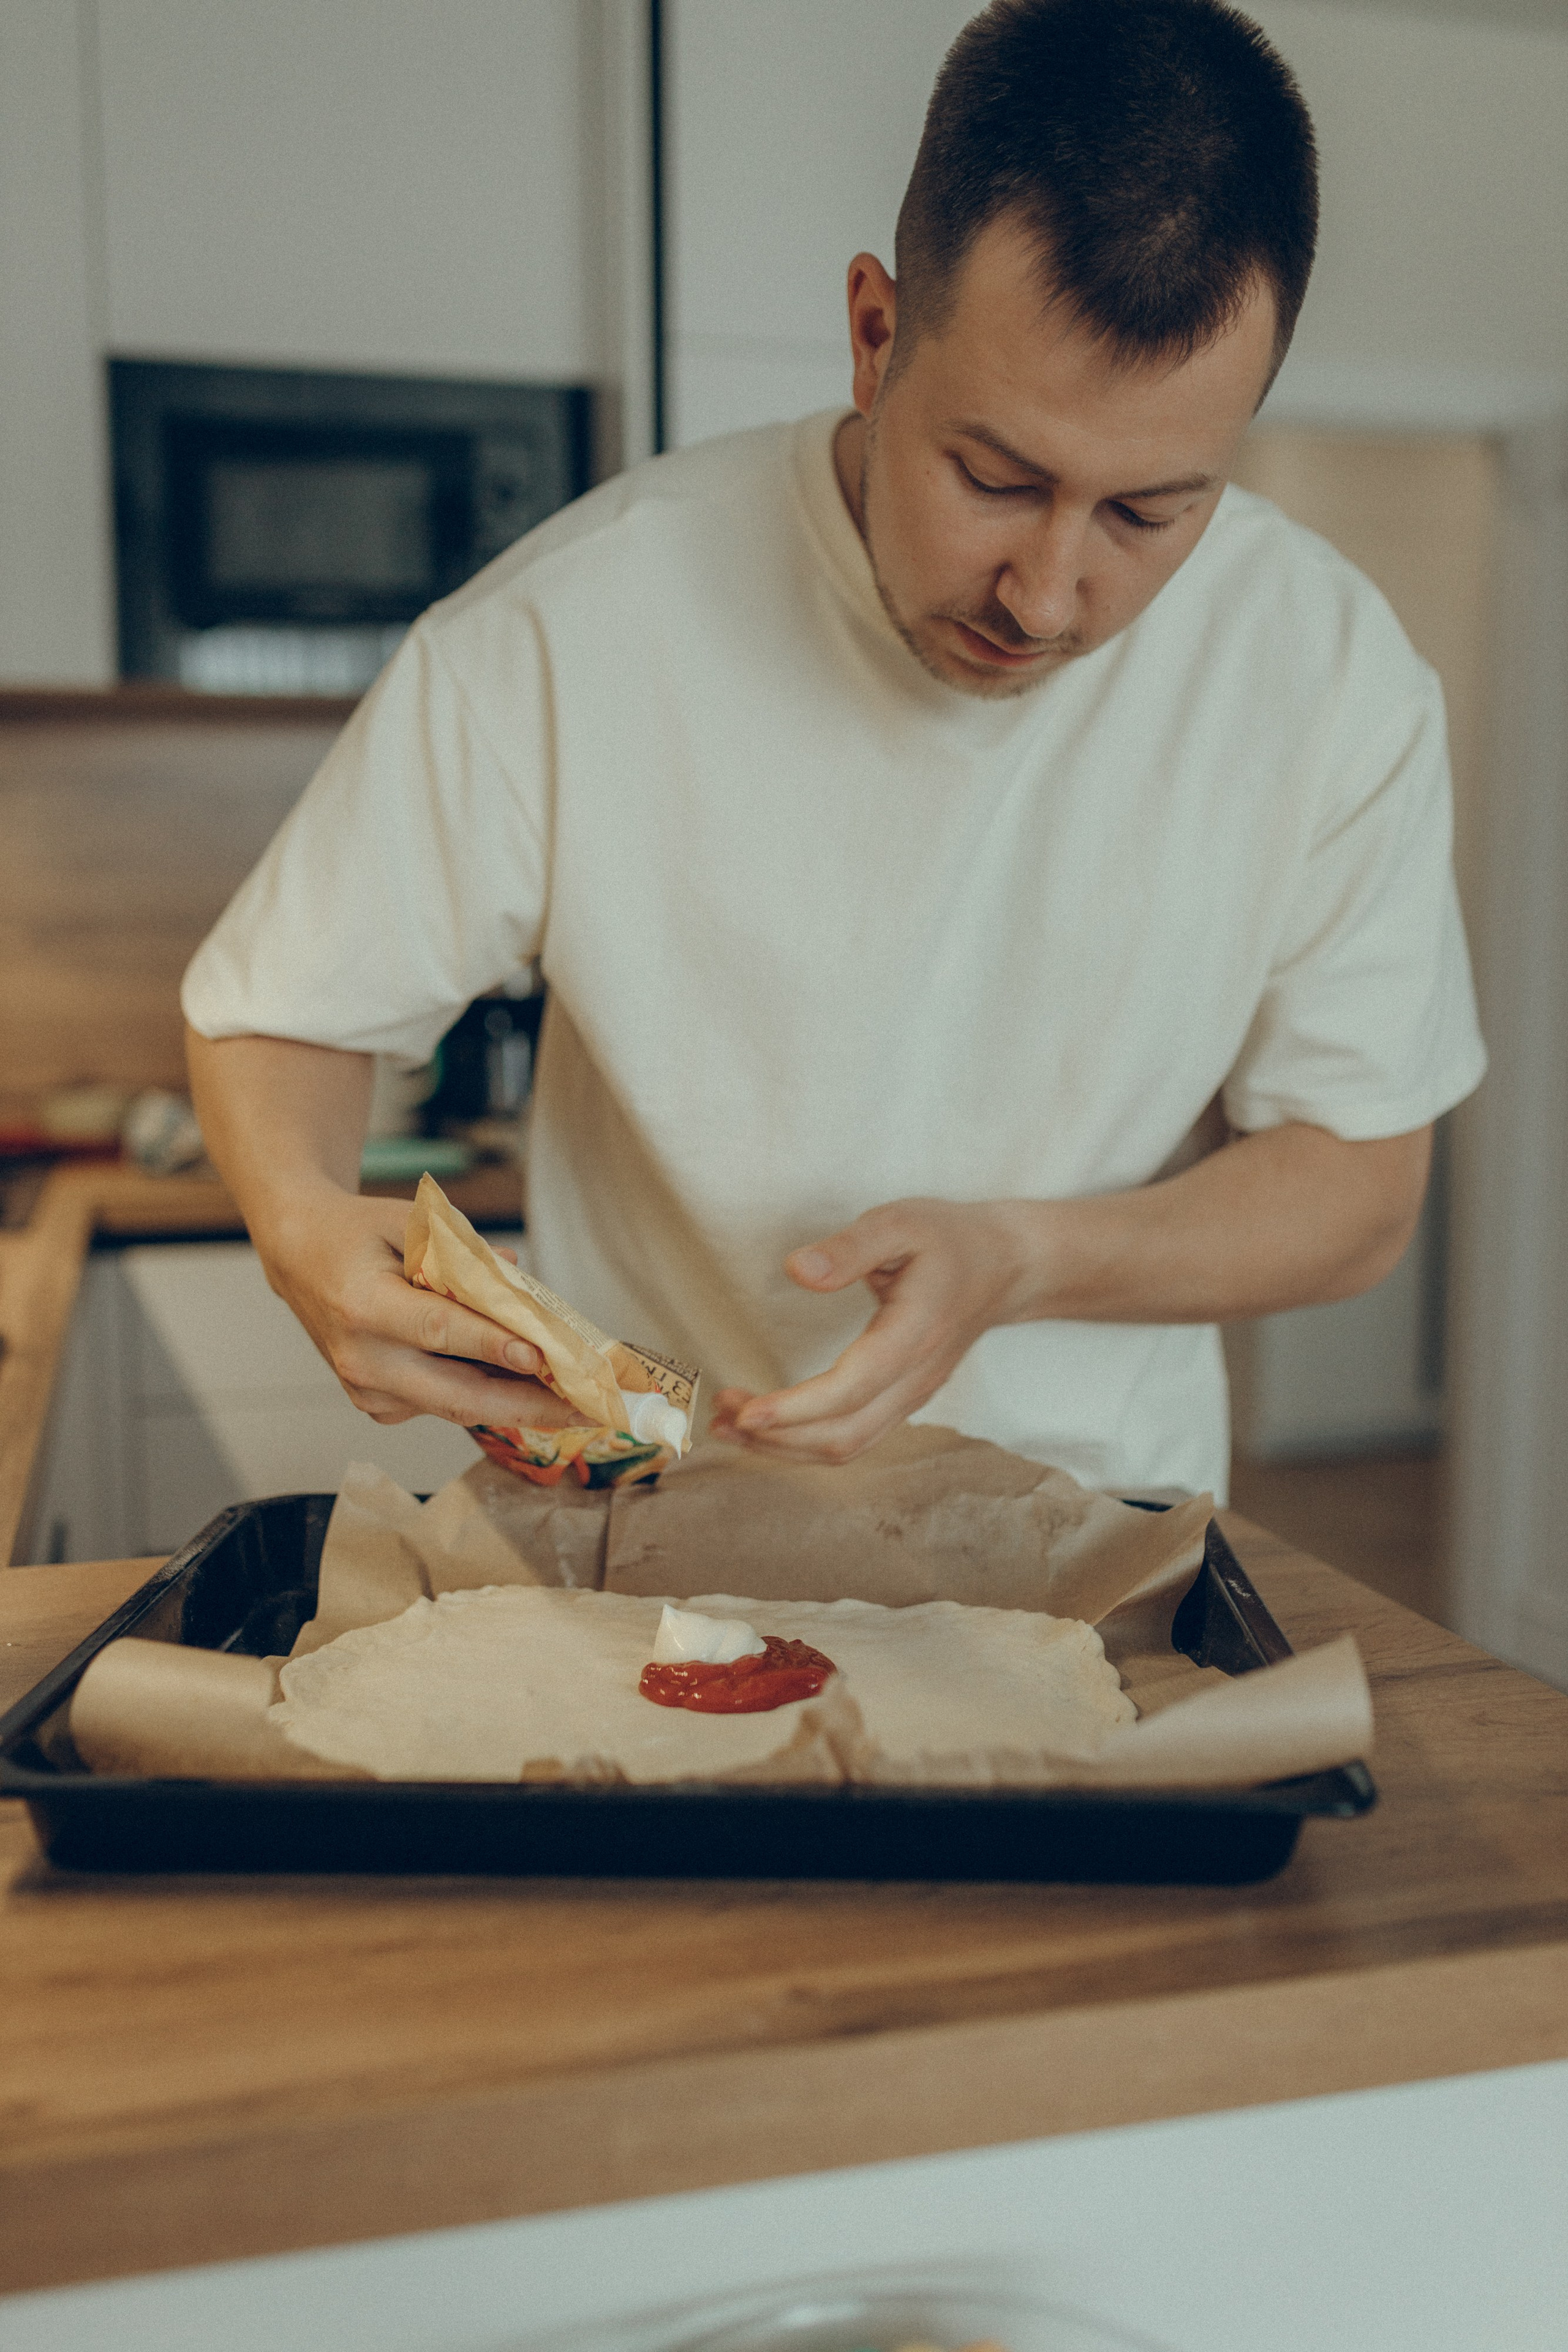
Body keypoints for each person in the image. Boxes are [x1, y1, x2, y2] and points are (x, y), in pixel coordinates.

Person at [183, 0, 1484, 1502]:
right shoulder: (567, 630)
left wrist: (1018, 1258)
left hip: (1092, 1534)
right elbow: (283, 1010)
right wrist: (298, 1219)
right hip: (649, 1519)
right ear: (873, 333)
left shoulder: (1329, 676)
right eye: (993, 478)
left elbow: (1356, 1186)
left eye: (1149, 511)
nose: (1046, 593)